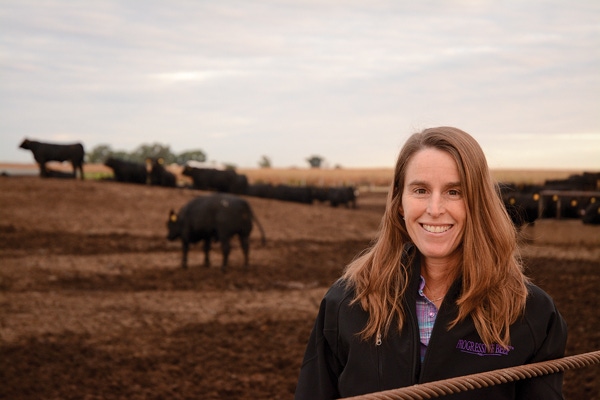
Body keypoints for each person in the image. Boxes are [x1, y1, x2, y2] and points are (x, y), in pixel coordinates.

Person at [295, 127, 567, 400]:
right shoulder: (347, 303)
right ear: (399, 202)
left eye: (454, 192)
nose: (435, 209)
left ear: (479, 202)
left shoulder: (532, 314)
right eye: (421, 190)